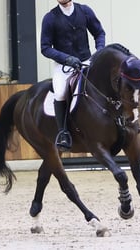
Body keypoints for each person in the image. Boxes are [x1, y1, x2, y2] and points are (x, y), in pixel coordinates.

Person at [41, 0, 106, 151]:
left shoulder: (85, 11)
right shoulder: (50, 18)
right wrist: (66, 58)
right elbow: (45, 48)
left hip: (86, 61)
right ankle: (63, 132)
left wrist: (100, 51)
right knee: (60, 93)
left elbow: (99, 33)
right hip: (63, 65)